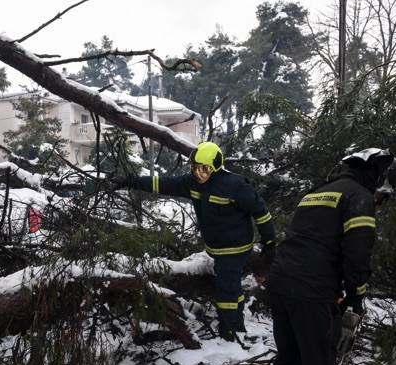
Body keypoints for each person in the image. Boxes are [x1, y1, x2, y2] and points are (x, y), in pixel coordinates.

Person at [260, 147, 396, 365]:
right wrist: (356, 295)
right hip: (312, 293)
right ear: (379, 176)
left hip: (281, 284)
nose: (380, 202)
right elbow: (357, 253)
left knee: (288, 358)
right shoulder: (360, 197)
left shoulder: (318, 192)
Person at [115, 141, 276, 341]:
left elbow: (261, 213)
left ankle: (231, 330)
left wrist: (270, 242)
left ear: (216, 167)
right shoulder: (191, 183)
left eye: (204, 169)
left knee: (226, 289)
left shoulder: (235, 186)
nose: (199, 173)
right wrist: (133, 181)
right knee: (232, 286)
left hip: (235, 248)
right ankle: (237, 320)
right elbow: (163, 184)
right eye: (195, 168)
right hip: (217, 248)